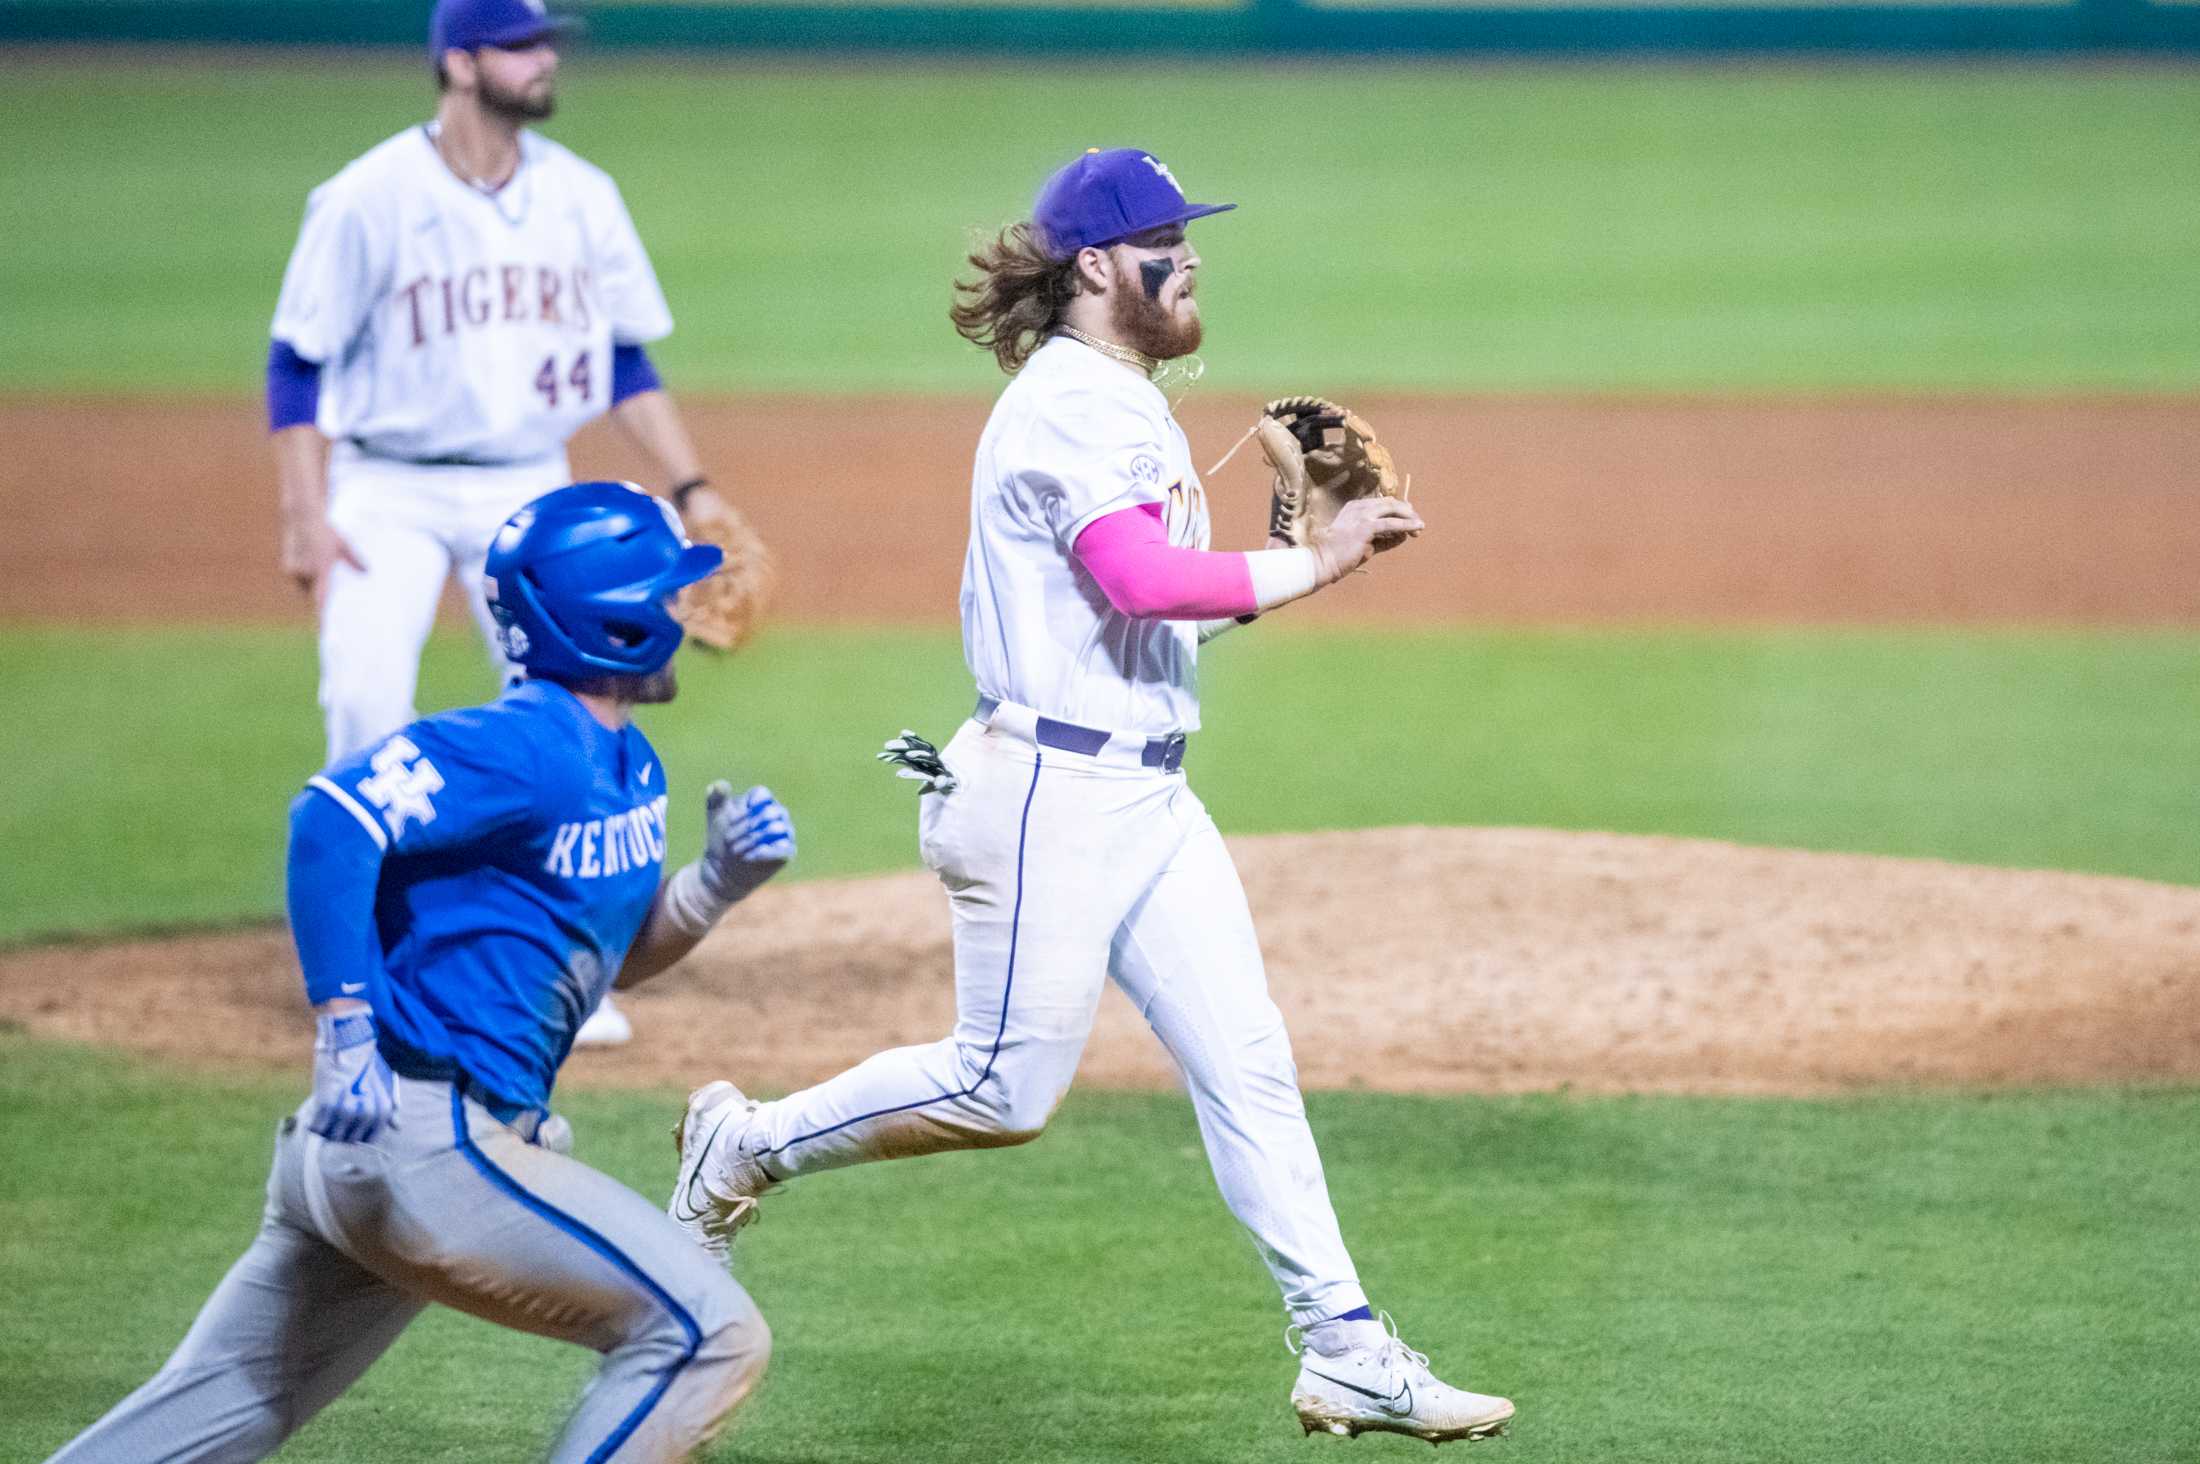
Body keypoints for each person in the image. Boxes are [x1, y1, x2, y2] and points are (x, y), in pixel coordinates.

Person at [667, 149, 1513, 1445]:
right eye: (1170, 239)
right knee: (1003, 1090)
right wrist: (1316, 556)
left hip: (1142, 792)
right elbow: (1142, 582)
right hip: (1046, 795)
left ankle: (1345, 1348)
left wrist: (1307, 565)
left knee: (1247, 1061)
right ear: (1103, 265)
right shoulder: (1072, 407)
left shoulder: (1123, 398)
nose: (1193, 260)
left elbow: (1148, 626)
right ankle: (739, 1147)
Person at [46, 483, 793, 1464]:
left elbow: (599, 963)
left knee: (225, 1400)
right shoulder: (523, 744)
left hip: (376, 1156)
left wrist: (708, 890)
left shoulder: (626, 763)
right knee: (705, 1334)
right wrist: (344, 1028)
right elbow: (331, 818)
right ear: (606, 619)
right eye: (660, 592)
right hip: (417, 1141)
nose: (678, 609)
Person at [266, 0, 731, 1045]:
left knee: (574, 716)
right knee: (363, 698)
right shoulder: (366, 198)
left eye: (546, 43)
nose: (543, 60)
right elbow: (296, 360)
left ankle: (569, 957)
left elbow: (625, 358)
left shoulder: (582, 197)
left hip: (527, 483)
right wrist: (304, 513)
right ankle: (377, 958)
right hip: (383, 484)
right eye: (522, 44)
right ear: (461, 60)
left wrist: (691, 483)